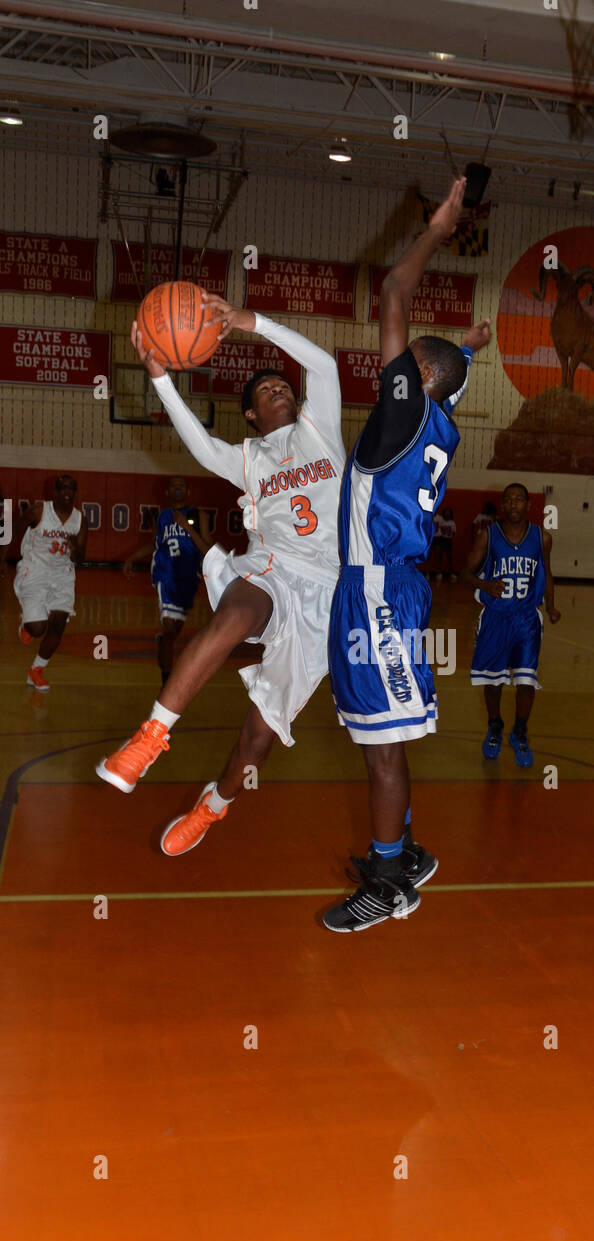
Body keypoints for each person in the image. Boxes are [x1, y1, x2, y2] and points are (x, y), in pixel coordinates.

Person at [96, 296, 345, 857]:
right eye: (266, 390)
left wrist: (252, 323)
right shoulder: (249, 458)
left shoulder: (320, 430)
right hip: (272, 570)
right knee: (235, 613)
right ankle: (150, 736)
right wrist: (160, 379)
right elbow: (202, 447)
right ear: (251, 414)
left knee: (258, 738)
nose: (279, 390)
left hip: (326, 594)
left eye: (283, 385)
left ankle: (213, 806)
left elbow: (324, 365)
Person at [324, 175, 492, 932]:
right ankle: (406, 851)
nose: (387, 365)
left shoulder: (404, 414)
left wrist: (440, 226)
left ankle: (390, 878)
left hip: (378, 593)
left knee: (383, 746)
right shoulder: (437, 421)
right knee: (378, 733)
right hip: (383, 586)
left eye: (405, 362)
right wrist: (468, 349)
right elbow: (449, 375)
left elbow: (394, 289)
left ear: (415, 380)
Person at [461, 482, 560, 767]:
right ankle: (495, 725)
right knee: (493, 683)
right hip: (495, 617)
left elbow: (547, 573)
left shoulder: (542, 538)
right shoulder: (488, 535)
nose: (513, 503)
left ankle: (520, 731)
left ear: (529, 505)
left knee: (526, 681)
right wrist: (485, 585)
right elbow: (464, 574)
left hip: (527, 618)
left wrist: (551, 606)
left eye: (518, 499)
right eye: (508, 500)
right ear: (502, 505)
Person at [0, 473, 87, 690]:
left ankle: (36, 670)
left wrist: (75, 548)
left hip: (63, 574)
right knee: (38, 628)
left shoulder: (79, 520)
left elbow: (80, 558)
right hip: (35, 570)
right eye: (63, 488)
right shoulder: (39, 510)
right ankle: (27, 625)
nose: (67, 492)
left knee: (58, 625)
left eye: (71, 488)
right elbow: (12, 530)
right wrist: (1, 558)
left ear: (75, 493)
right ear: (55, 492)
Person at [123, 475, 213, 685]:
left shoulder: (199, 516)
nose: (178, 487)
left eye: (182, 485)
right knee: (170, 628)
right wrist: (132, 558)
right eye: (173, 485)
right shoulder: (162, 516)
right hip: (165, 573)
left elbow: (208, 550)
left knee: (173, 632)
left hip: (188, 577)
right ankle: (167, 685)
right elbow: (155, 544)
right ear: (167, 492)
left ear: (188, 491)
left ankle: (164, 641)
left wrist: (188, 528)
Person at [428, 506, 457, 582]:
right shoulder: (428, 517)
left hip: (440, 539)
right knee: (430, 557)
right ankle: (429, 573)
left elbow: (449, 530)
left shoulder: (441, 518)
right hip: (431, 538)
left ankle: (444, 573)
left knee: (444, 556)